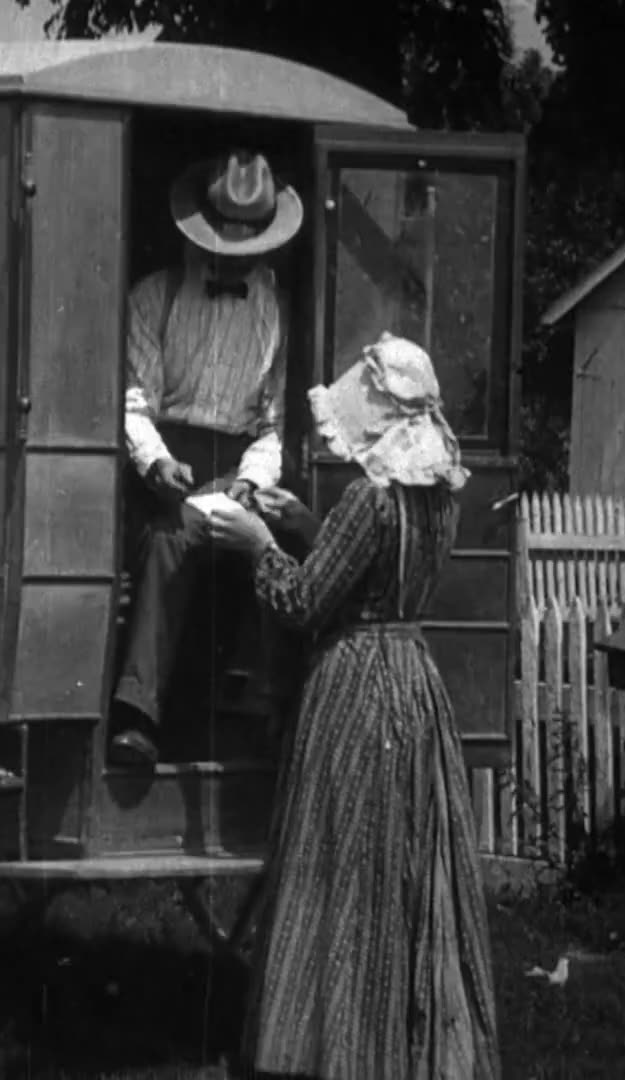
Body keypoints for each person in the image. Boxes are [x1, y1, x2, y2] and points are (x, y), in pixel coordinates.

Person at [207, 332, 501, 1079]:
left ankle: (334, 1041)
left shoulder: (368, 499)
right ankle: (399, 1039)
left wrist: (257, 543)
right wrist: (312, 527)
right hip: (412, 677)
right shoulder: (439, 498)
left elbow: (304, 601)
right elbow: (379, 577)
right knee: (401, 864)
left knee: (341, 861)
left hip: (356, 686)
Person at [109, 148, 305, 768]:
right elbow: (133, 403)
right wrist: (157, 465)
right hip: (168, 465)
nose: (235, 259)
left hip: (238, 466)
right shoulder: (154, 296)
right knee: (171, 538)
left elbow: (274, 423)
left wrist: (251, 481)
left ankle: (264, 716)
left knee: (277, 541)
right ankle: (138, 715)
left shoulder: (277, 310)